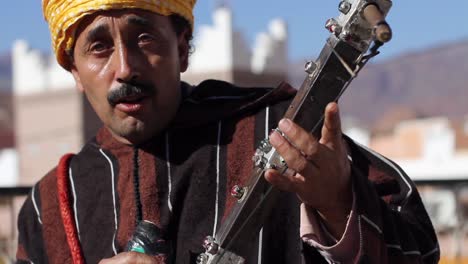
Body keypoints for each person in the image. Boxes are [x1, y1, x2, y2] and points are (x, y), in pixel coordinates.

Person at [16, 0, 440, 263]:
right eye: (99, 47)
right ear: (73, 69)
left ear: (182, 48)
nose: (125, 68)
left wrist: (337, 203)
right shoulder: (51, 206)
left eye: (144, 38)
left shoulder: (281, 132)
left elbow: (419, 251)